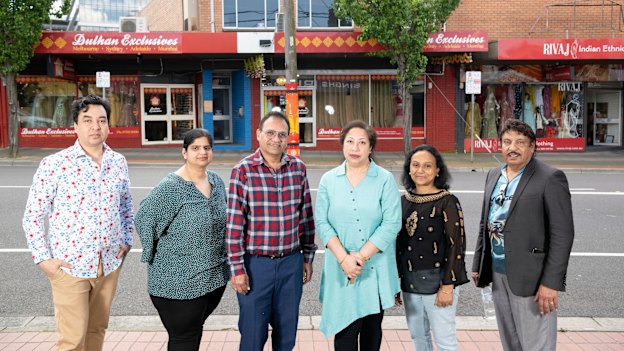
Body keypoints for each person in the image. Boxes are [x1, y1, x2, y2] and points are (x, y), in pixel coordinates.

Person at [22, 94, 134, 351]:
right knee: (72, 340)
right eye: (88, 120)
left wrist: (126, 240)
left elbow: (126, 205)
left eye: (101, 120)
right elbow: (33, 215)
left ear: (108, 126)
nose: (95, 126)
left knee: (97, 330)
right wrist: (43, 259)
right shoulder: (54, 164)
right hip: (69, 267)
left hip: (109, 264)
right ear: (75, 125)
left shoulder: (118, 162)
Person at [472, 119, 575, 351]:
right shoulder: (493, 175)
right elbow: (485, 223)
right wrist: (479, 262)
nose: (512, 147)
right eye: (507, 142)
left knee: (536, 344)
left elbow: (563, 234)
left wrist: (550, 282)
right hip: (498, 272)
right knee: (510, 341)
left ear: (532, 147)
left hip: (532, 277)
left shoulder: (550, 178)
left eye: (520, 142)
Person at [226, 111, 317, 351]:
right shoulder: (243, 171)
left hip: (291, 264)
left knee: (287, 336)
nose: (276, 139)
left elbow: (306, 217)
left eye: (282, 134)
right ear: (258, 135)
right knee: (253, 337)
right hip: (256, 267)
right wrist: (237, 269)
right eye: (270, 133)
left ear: (288, 138)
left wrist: (307, 258)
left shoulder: (298, 169)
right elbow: (234, 226)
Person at [135, 129, 228, 350]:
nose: (202, 152)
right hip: (178, 284)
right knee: (184, 341)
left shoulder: (216, 181)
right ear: (184, 152)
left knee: (192, 337)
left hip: (211, 280)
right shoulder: (171, 188)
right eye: (195, 148)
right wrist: (153, 254)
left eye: (206, 147)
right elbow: (144, 220)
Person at [315, 120, 401, 351]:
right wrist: (344, 259)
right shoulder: (329, 180)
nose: (355, 148)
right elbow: (322, 222)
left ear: (371, 148)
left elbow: (392, 223)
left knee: (371, 336)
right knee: (344, 335)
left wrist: (359, 257)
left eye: (362, 142)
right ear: (342, 145)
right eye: (350, 141)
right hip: (340, 268)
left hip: (374, 269)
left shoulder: (384, 179)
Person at [395, 145, 469, 351]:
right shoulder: (403, 201)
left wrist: (448, 286)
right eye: (416, 165)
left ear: (438, 170)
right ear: (409, 170)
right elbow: (397, 246)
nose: (421, 170)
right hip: (409, 282)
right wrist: (395, 283)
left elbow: (457, 246)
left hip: (439, 281)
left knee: (445, 341)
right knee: (419, 337)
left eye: (428, 166)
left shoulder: (448, 202)